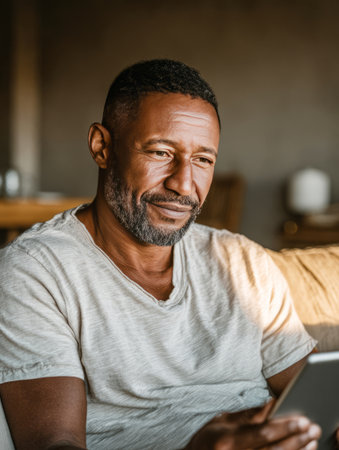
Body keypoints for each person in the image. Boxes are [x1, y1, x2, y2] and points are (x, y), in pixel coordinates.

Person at [0, 59, 324, 450]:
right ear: (102, 147)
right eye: (160, 152)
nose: (183, 183)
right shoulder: (36, 273)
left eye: (203, 160)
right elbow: (56, 444)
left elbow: (318, 403)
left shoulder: (243, 263)